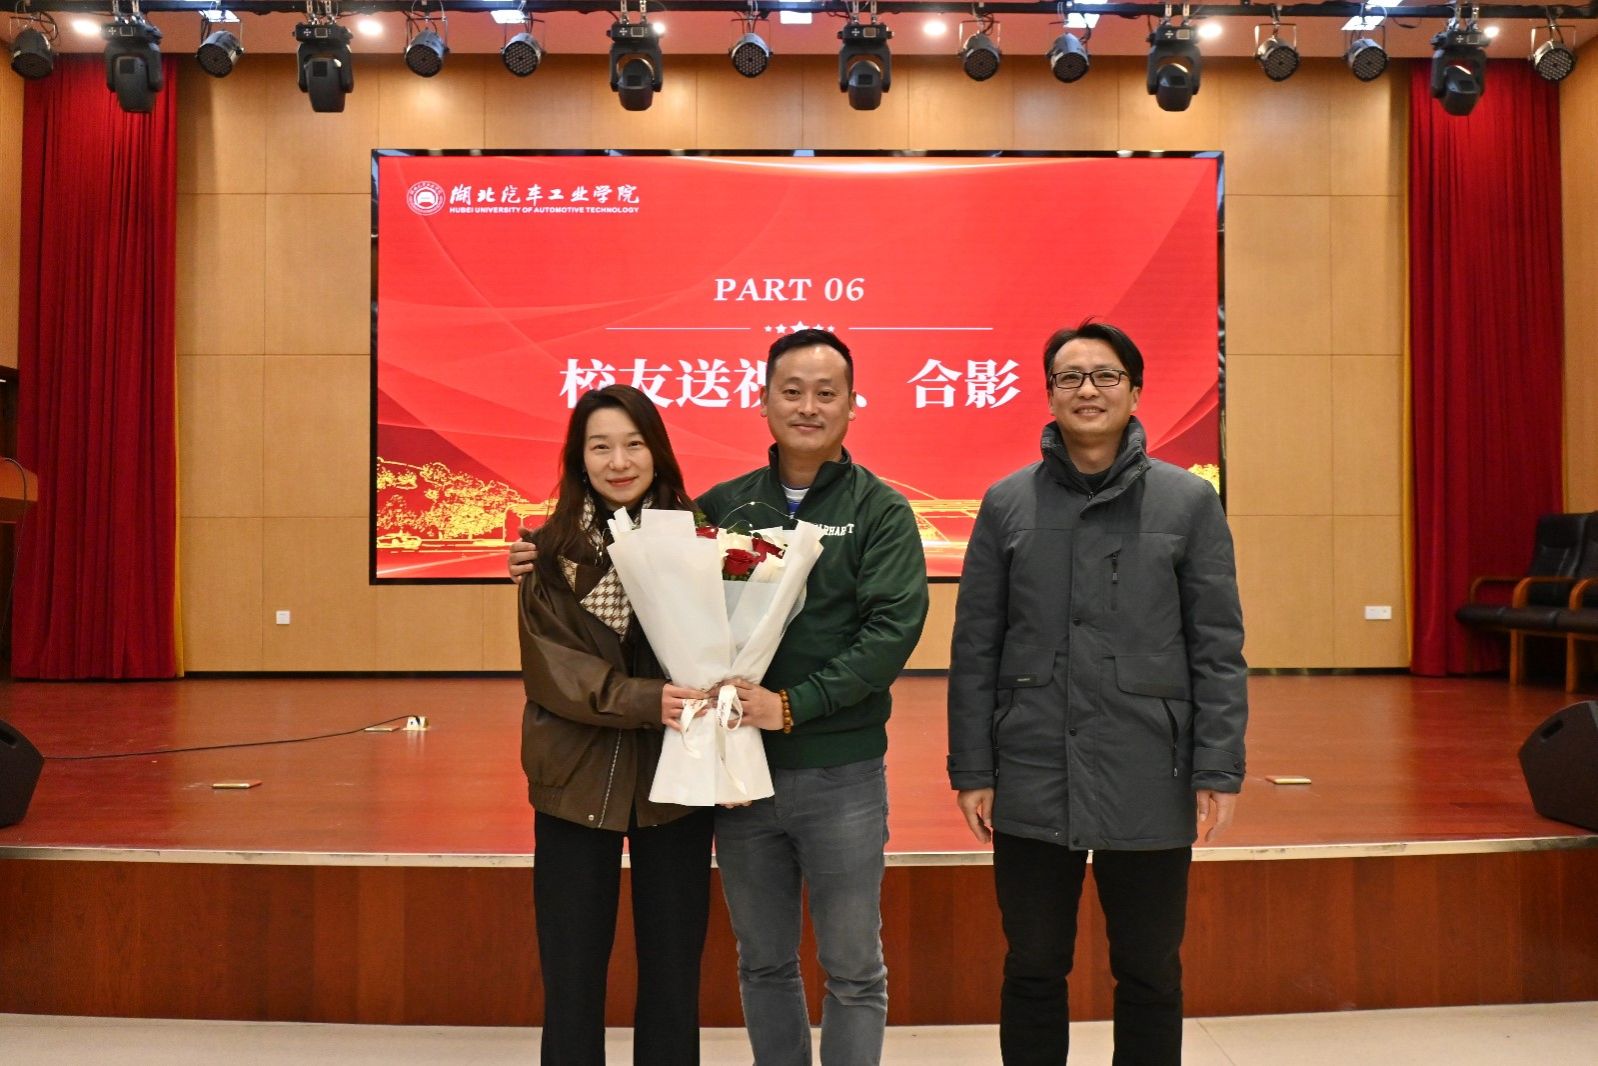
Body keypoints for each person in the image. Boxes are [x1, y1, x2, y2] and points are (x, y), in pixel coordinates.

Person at [513, 330, 929, 1065]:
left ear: (852, 403)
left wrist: (789, 704)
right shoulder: (704, 514)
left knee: (833, 965)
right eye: (791, 391)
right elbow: (569, 660)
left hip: (780, 772)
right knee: (730, 964)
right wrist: (539, 556)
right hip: (662, 775)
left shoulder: (861, 511)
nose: (619, 461)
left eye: (825, 392)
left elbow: (890, 631)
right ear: (762, 402)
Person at [946, 320, 1247, 1065]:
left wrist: (1218, 766)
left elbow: (1217, 646)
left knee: (1149, 969)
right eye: (1070, 377)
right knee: (1033, 965)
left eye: (1106, 375)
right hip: (1032, 765)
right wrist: (973, 768)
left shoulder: (1188, 502)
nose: (1088, 390)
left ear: (1135, 391)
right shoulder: (1007, 503)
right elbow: (976, 647)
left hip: (1150, 766)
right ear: (1049, 394)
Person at [517, 383, 715, 1066]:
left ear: (657, 451)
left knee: (673, 972)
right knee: (571, 975)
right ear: (580, 458)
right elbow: (553, 668)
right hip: (575, 779)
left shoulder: (702, 541)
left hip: (676, 776)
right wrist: (643, 699)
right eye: (600, 446)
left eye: (634, 444)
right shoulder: (548, 552)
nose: (619, 461)